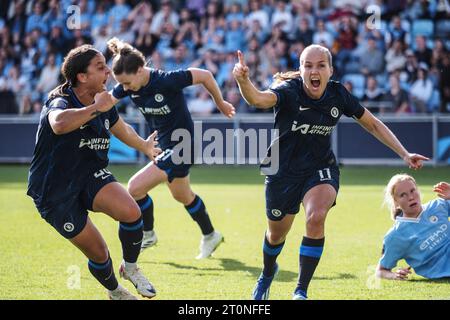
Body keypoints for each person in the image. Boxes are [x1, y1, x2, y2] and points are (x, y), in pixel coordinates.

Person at [232, 44, 429, 300]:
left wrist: (404, 153)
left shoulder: (338, 95)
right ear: (301, 70)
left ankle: (300, 290)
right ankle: (267, 275)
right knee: (276, 234)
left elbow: (371, 123)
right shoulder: (288, 91)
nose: (315, 71)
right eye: (308, 65)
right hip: (282, 171)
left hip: (320, 167)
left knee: (316, 216)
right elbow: (257, 99)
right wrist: (243, 81)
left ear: (330, 70)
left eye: (321, 65)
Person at [27, 45, 161, 300]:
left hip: (90, 175)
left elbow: (122, 129)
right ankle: (114, 291)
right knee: (99, 253)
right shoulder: (61, 100)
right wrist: (95, 109)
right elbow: (59, 124)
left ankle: (131, 269)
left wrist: (144, 145)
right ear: (82, 76)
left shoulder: (103, 100)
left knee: (132, 212)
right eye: (100, 67)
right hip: (53, 191)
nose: (108, 71)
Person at [107, 38, 235, 259]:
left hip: (184, 145)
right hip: (166, 147)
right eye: (122, 85)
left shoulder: (166, 80)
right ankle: (211, 234)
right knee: (182, 195)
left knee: (135, 188)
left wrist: (220, 102)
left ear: (140, 70)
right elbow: (105, 104)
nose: (124, 89)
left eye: (127, 83)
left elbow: (204, 75)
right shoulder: (128, 86)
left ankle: (148, 234)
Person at [377, 175, 450, 280]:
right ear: (395, 202)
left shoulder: (437, 206)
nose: (411, 197)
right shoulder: (395, 236)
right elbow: (381, 271)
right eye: (403, 195)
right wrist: (394, 275)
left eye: (412, 191)